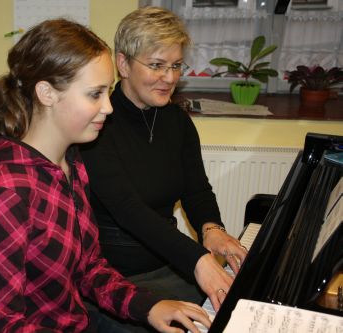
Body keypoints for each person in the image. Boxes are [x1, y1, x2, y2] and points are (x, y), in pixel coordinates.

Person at [0, 18, 211, 333]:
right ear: (47, 93)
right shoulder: (7, 188)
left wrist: (149, 307)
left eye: (107, 92)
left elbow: (89, 269)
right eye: (95, 94)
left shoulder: (71, 164)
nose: (108, 107)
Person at [80, 7, 248, 332]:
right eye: (156, 65)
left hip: (167, 264)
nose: (169, 78)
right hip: (112, 282)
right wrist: (198, 260)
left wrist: (212, 229)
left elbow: (197, 190)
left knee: (235, 308)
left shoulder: (177, 121)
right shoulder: (97, 125)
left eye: (175, 66)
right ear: (123, 63)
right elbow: (129, 211)